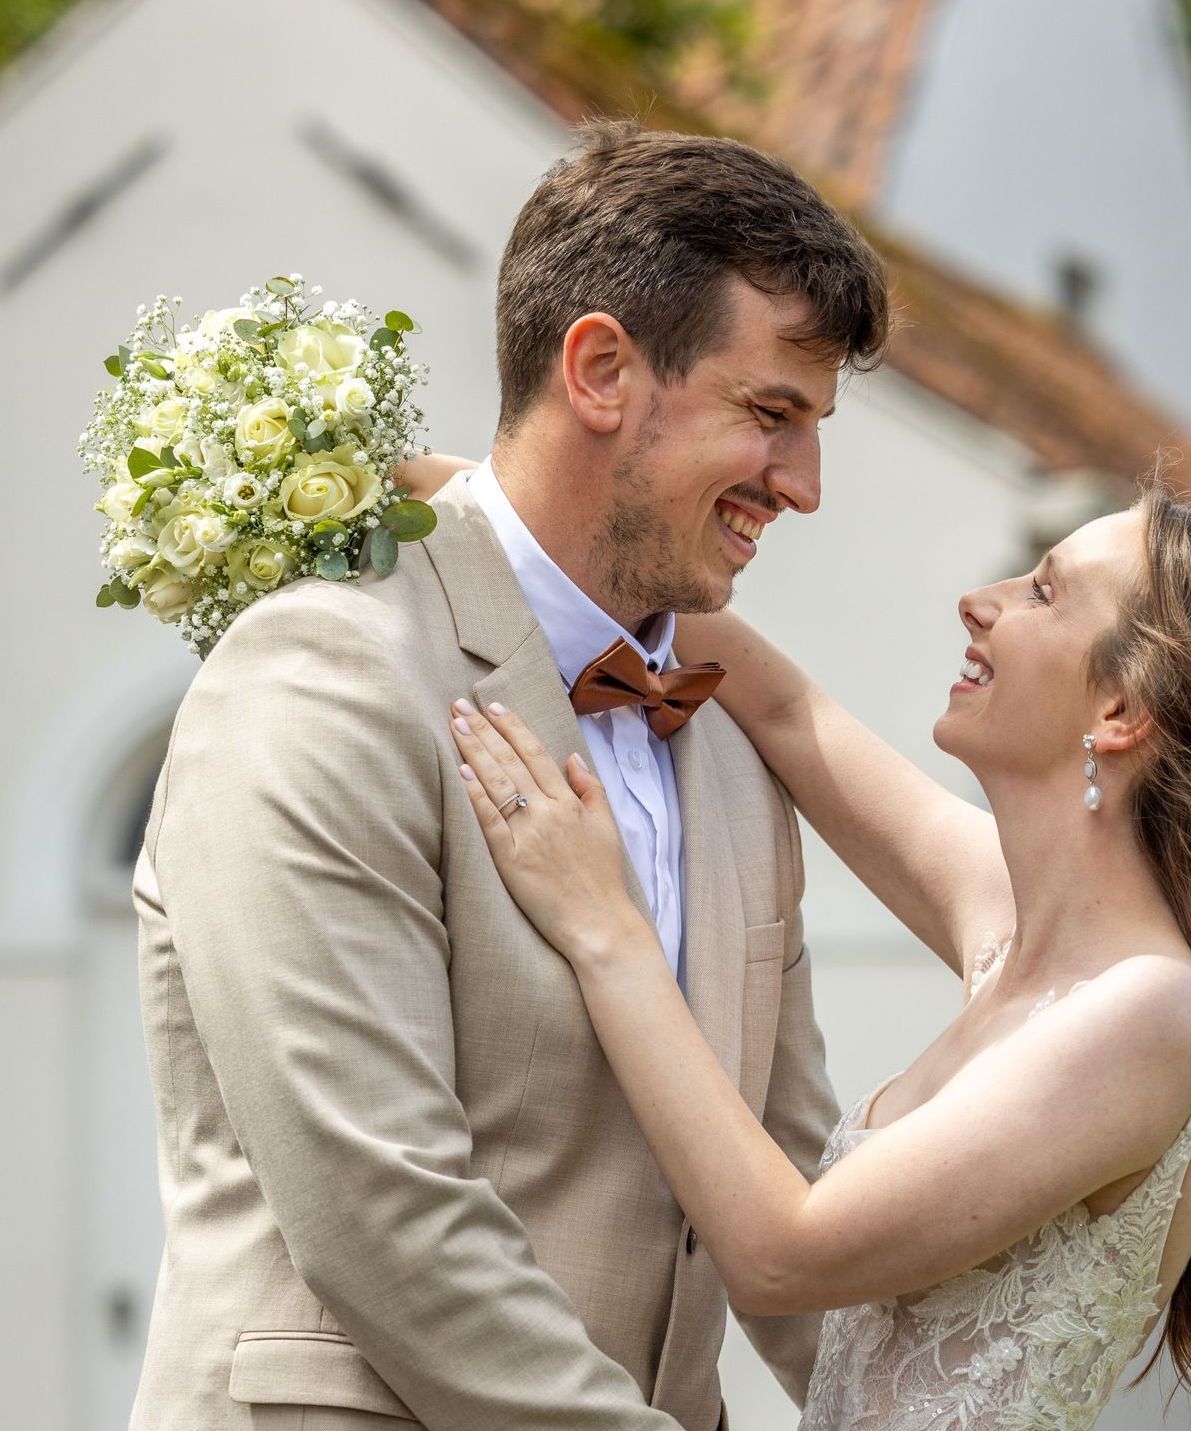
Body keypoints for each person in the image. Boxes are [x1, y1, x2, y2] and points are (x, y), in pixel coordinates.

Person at [130, 119, 889, 1430]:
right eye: (771, 415)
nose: (804, 485)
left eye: (813, 428)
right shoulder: (325, 672)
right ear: (600, 370)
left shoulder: (728, 748)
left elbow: (786, 1202)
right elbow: (380, 1206)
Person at [436, 479, 1191, 1429]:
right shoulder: (1020, 923)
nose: (979, 601)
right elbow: (785, 709)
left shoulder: (1150, 1012)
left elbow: (781, 1254)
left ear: (1120, 708)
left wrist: (602, 922)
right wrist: (482, 500)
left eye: (1042, 591)